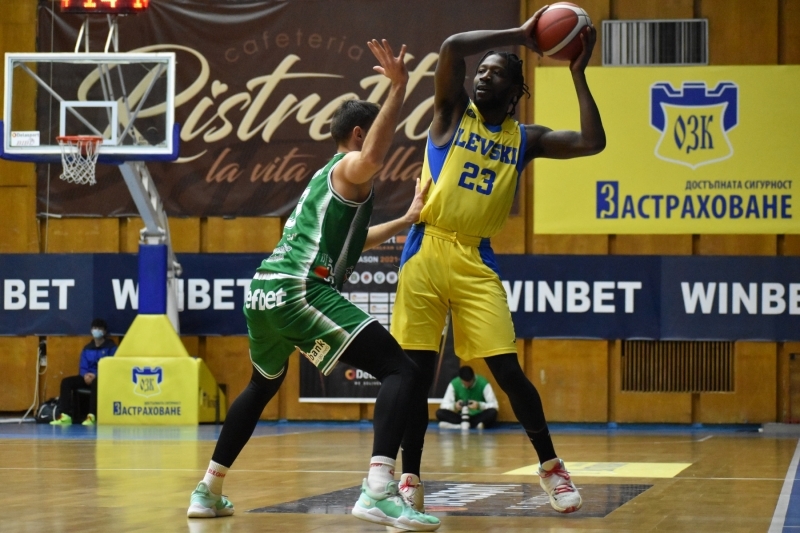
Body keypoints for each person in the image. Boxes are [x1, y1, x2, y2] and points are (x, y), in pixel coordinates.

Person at [186, 39, 440, 532]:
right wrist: (399, 88)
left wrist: (404, 219)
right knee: (402, 371)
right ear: (359, 134)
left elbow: (353, 242)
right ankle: (378, 489)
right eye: (373, 135)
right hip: (299, 290)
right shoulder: (348, 166)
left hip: (263, 292)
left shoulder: (325, 183)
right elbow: (371, 158)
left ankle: (208, 490)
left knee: (262, 385)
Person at [391, 6, 606, 516]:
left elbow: (592, 142)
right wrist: (521, 35)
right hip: (425, 249)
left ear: (515, 93)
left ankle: (551, 467)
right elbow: (450, 48)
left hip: (474, 257)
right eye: (482, 70)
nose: (483, 77)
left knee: (508, 370)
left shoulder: (525, 139)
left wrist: (577, 74)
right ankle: (410, 477)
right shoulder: (450, 113)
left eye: (496, 73)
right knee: (415, 376)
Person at [50, 318, 117, 426]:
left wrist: (95, 375)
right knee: (66, 382)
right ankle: (66, 415)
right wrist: (85, 375)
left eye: (99, 328)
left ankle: (91, 416)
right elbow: (83, 366)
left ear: (104, 331)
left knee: (96, 382)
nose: (96, 330)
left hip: (102, 378)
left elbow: (111, 366)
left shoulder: (111, 348)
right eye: (94, 328)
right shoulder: (87, 348)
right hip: (86, 377)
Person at [436, 365, 498, 430]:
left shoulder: (483, 383)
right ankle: (474, 425)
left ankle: (461, 425)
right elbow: (443, 405)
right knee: (439, 413)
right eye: (465, 383)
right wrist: (454, 406)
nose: (467, 385)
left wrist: (479, 405)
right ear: (460, 379)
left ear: (473, 377)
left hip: (477, 416)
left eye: (469, 382)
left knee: (493, 412)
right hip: (460, 416)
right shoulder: (454, 383)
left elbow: (495, 405)